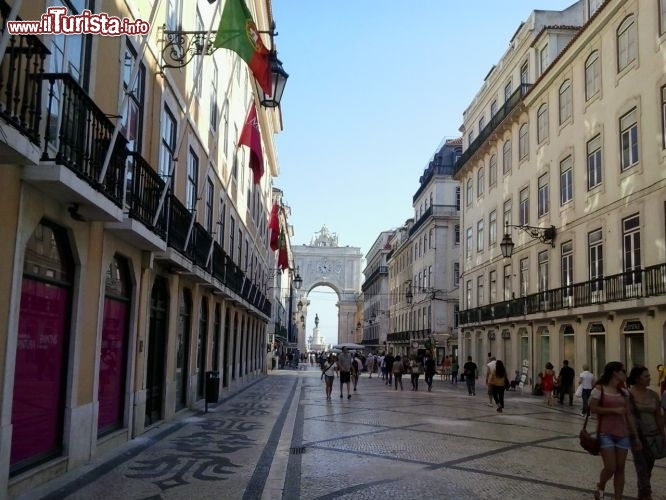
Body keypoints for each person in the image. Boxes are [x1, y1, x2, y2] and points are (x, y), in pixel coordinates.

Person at [590, 361, 639, 500]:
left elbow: (628, 413)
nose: (625, 373)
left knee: (620, 468)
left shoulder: (624, 392)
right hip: (606, 433)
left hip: (622, 433)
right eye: (623, 371)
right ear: (615, 373)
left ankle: (618, 497)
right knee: (611, 467)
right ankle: (601, 484)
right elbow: (593, 409)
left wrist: (635, 435)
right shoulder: (600, 389)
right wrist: (614, 410)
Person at [627, 365, 666, 500]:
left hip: (653, 435)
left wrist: (663, 433)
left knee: (648, 467)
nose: (649, 378)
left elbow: (659, 417)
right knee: (641, 466)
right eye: (646, 376)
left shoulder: (653, 395)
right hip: (637, 436)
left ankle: (642, 492)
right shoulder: (629, 395)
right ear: (637, 379)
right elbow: (628, 416)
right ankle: (646, 495)